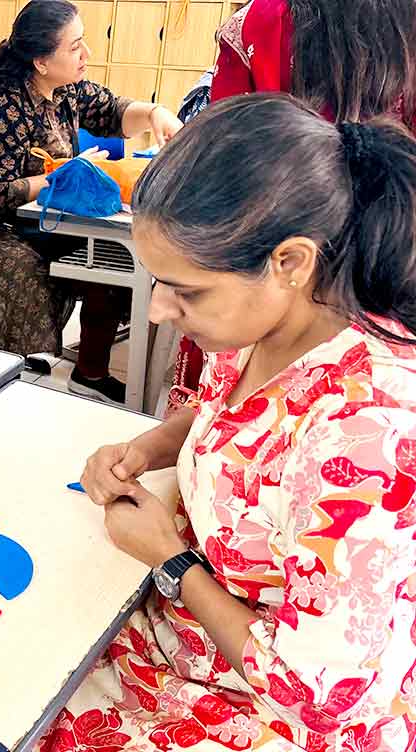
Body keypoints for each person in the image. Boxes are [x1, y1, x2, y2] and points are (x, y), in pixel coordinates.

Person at [38, 95, 416, 751]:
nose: (156, 311)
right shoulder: (264, 323)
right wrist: (155, 442)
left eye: (186, 290)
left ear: (290, 263)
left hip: (277, 707)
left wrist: (171, 558)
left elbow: (318, 698)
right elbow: (238, 408)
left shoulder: (369, 430)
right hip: (195, 642)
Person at [167, 0, 416, 410]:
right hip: (392, 262)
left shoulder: (259, 24)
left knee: (235, 421)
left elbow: (230, 164)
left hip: (267, 271)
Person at [0, 0, 182, 405]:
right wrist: (60, 176)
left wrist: (155, 113)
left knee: (110, 258)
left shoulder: (65, 89)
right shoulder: (3, 105)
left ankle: (90, 372)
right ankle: (4, 375)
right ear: (41, 61)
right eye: (75, 47)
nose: (87, 55)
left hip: (34, 217)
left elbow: (112, 112)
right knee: (27, 273)